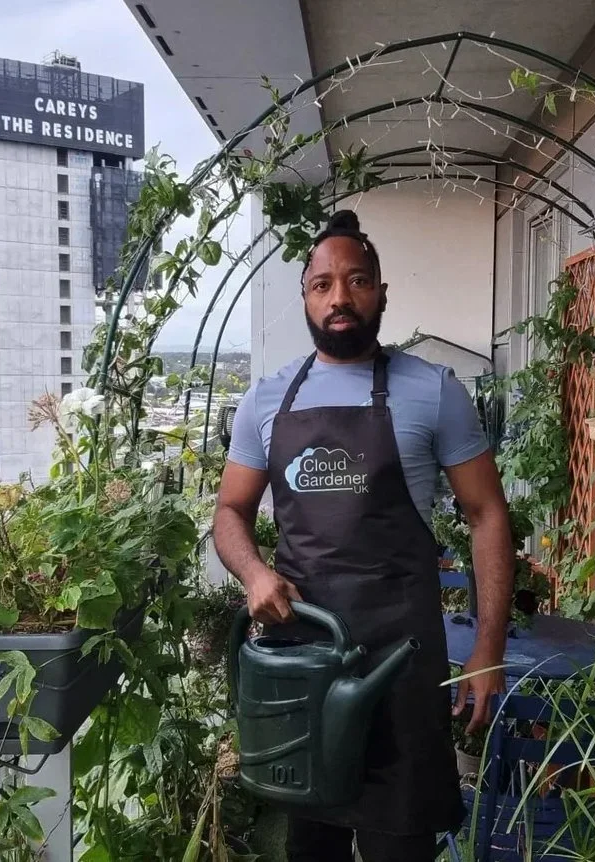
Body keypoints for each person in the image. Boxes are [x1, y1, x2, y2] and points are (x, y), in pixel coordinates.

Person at [213, 209, 516, 862]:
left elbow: (488, 514)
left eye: (356, 281)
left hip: (399, 667)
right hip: (305, 666)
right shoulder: (266, 400)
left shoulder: (433, 391)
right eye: (322, 284)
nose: (339, 298)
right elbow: (230, 513)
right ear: (305, 297)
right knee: (309, 848)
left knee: (399, 847)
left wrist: (487, 647)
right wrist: (255, 574)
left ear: (380, 293)